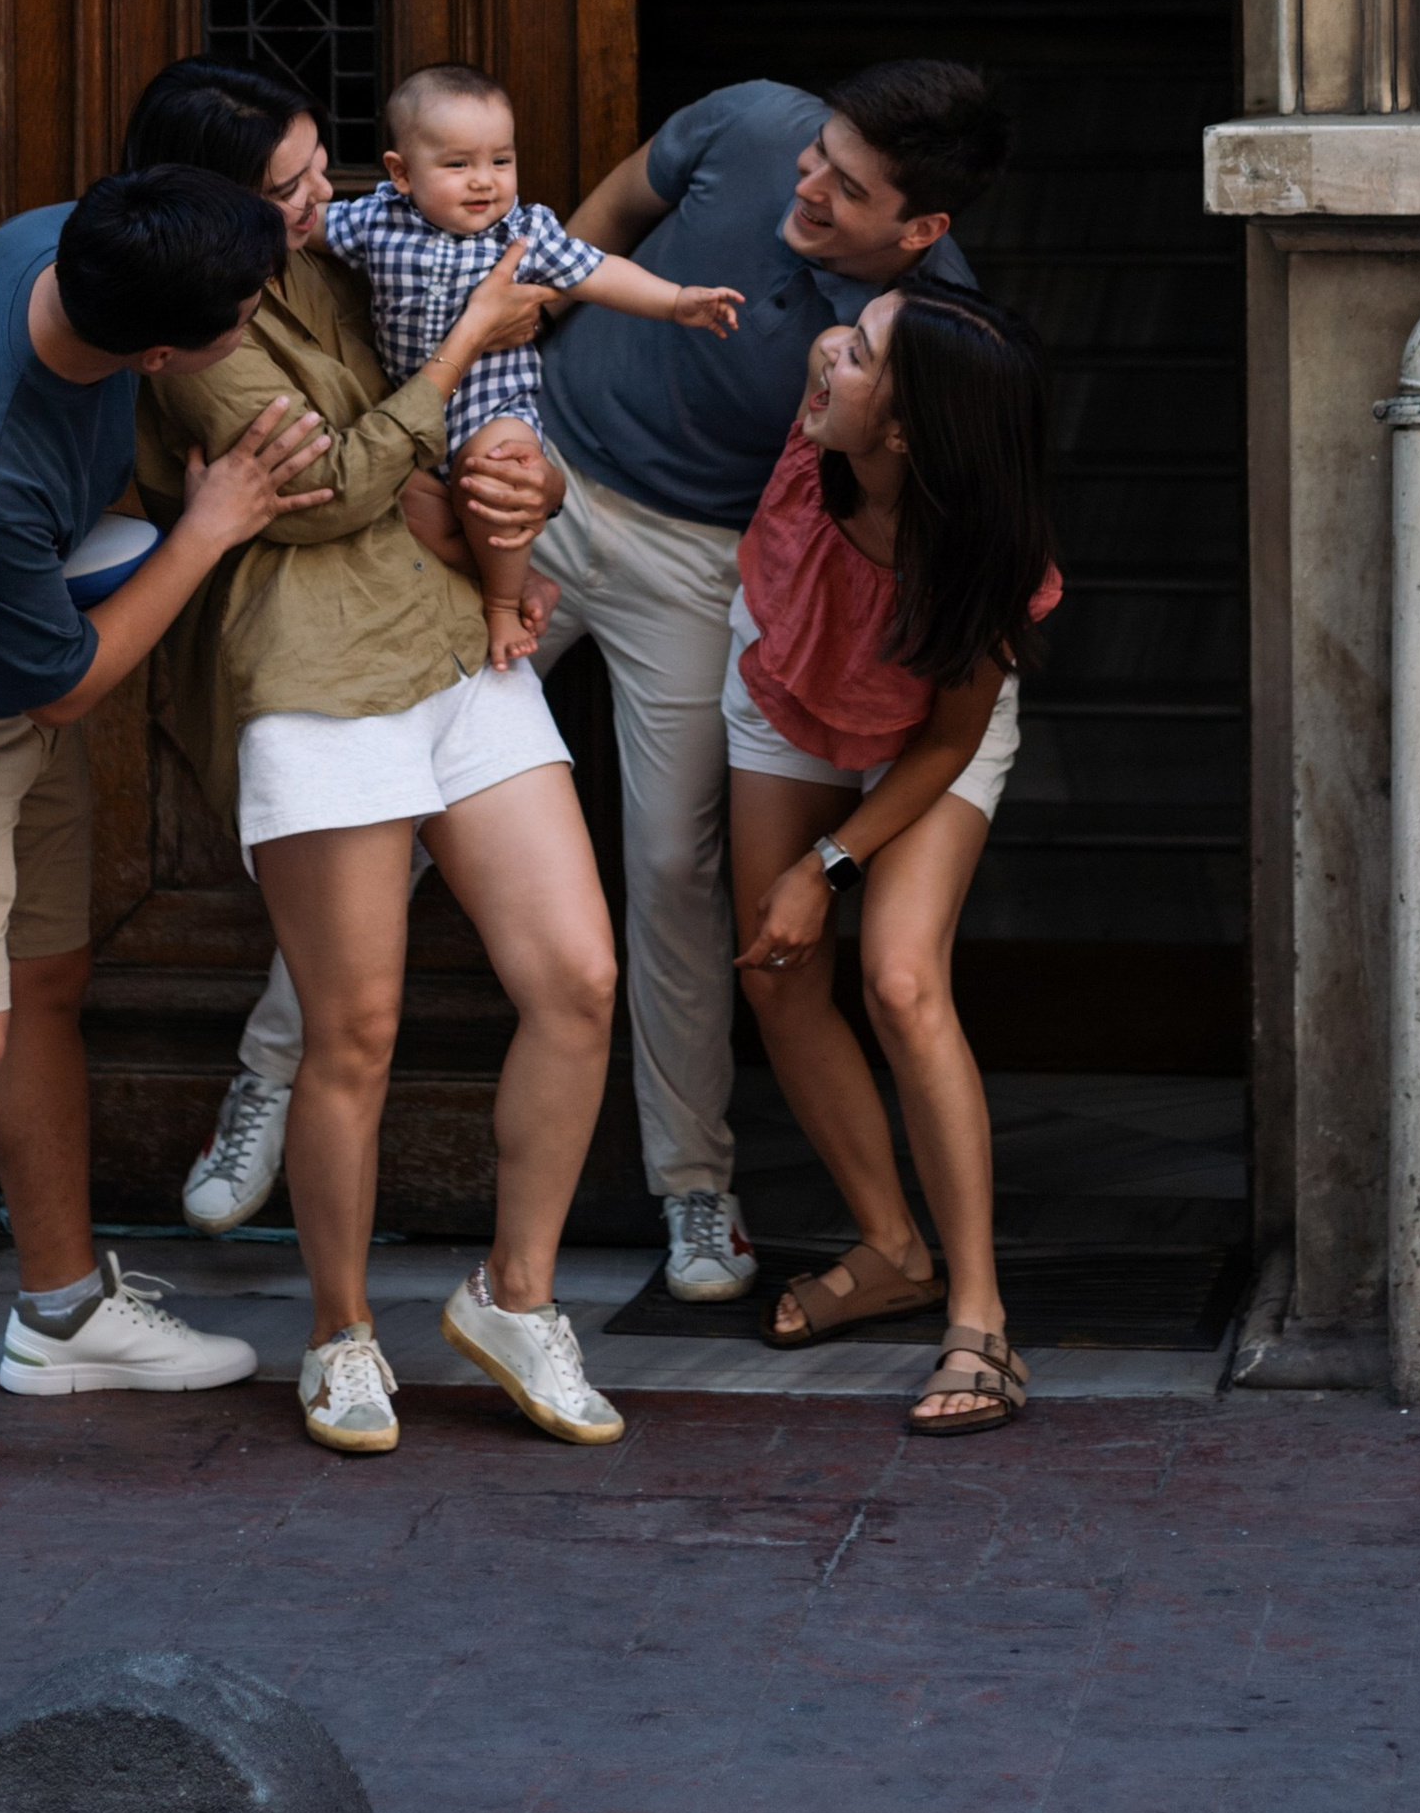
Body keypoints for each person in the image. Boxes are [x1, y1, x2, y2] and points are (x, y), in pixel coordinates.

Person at [184, 63, 1010, 1313]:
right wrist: (516, 338)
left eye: (844, 189)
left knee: (676, 867)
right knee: (382, 789)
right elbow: (599, 220)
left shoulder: (933, 333)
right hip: (528, 474)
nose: (808, 181)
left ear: (919, 231)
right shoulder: (745, 120)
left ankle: (691, 1180)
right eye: (816, 155)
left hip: (703, 560)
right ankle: (268, 1076)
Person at [0, 165, 332, 1504]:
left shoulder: (50, 241)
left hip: (8, 680)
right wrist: (209, 526)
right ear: (158, 354)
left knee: (44, 987)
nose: (257, 321)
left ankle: (62, 1313)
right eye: (241, 312)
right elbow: (72, 683)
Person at [123, 57, 629, 1449]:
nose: (316, 200)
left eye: (316, 171)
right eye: (284, 188)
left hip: (452, 649)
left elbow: (445, 446)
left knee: (579, 978)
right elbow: (327, 491)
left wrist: (527, 491)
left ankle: (514, 1298)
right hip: (310, 675)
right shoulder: (192, 331)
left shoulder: (359, 254)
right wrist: (462, 351)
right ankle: (341, 1334)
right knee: (353, 1032)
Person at [730, 283, 1059, 1438]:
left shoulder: (979, 547)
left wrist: (824, 865)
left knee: (901, 980)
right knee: (771, 967)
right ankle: (890, 1248)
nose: (829, 353)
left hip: (922, 736)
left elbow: (951, 742)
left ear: (910, 431)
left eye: (860, 355)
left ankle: (979, 1315)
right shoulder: (823, 426)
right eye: (849, 334)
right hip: (788, 678)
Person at [322, 60, 744, 668]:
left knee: (503, 474)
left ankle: (500, 603)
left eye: (501, 160)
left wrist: (676, 302)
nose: (484, 182)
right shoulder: (372, 219)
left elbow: (599, 269)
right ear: (401, 173)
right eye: (457, 164)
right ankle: (510, 588)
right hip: (406, 405)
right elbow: (302, 228)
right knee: (426, 519)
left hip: (494, 401)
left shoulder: (524, 232)